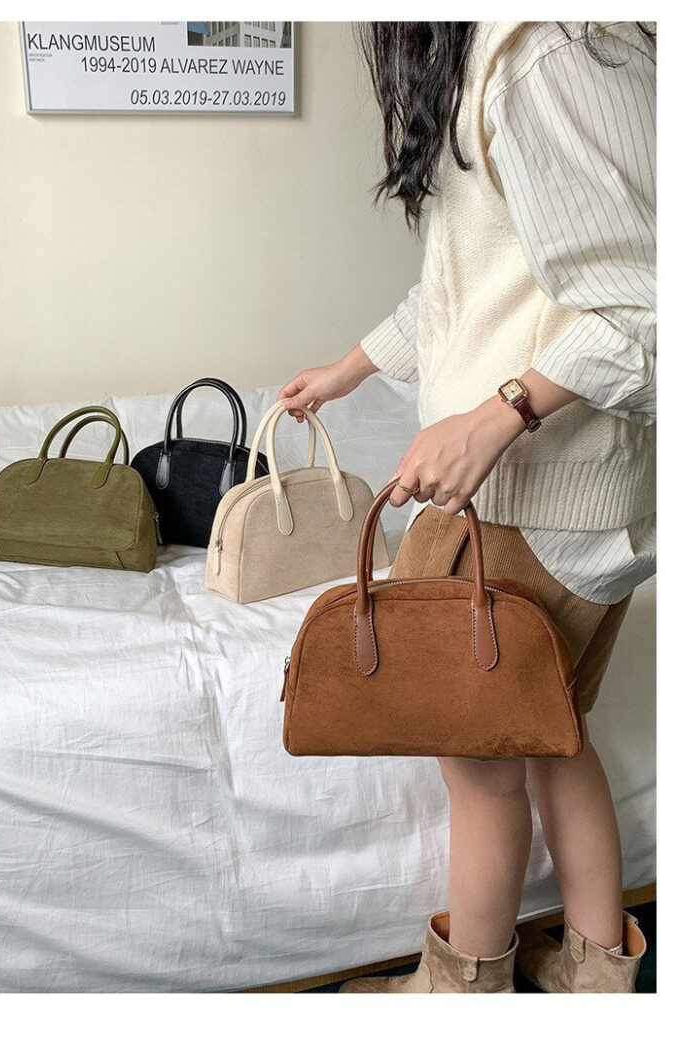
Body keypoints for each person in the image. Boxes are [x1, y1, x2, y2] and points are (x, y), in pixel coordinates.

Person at [278, 21, 655, 994]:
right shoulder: (498, 51)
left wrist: (498, 415)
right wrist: (349, 372)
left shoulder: (539, 51)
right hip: (558, 485)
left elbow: (646, 307)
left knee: (478, 762)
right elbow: (469, 290)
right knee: (553, 734)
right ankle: (597, 981)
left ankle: (464, 995)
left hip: (531, 492)